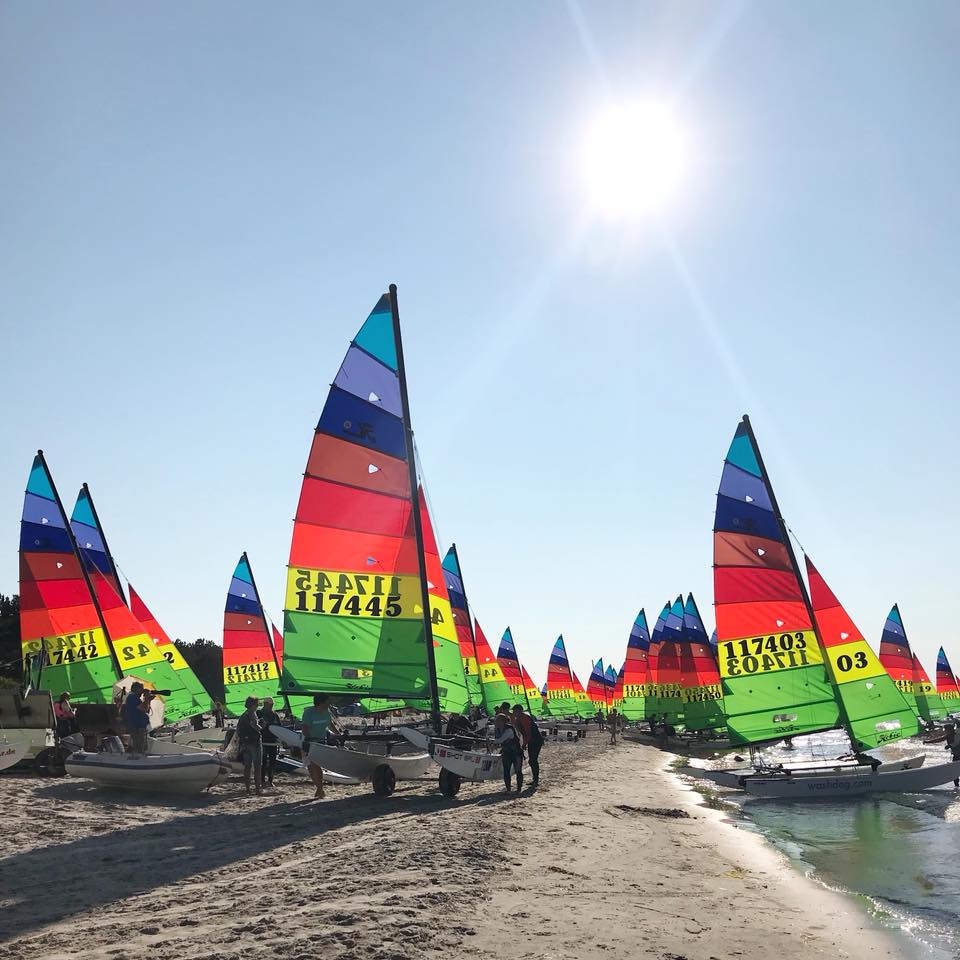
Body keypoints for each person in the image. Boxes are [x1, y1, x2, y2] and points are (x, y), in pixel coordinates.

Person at [301, 694, 338, 799]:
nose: (329, 704)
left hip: (321, 743)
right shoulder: (308, 712)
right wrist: (310, 740)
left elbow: (330, 725)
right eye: (327, 701)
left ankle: (320, 789)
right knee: (311, 768)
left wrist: (338, 734)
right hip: (309, 742)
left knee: (317, 765)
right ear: (321, 703)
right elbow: (305, 728)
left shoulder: (326, 712)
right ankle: (319, 788)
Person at [236, 696, 263, 795]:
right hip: (254, 743)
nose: (257, 706)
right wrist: (263, 726)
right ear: (253, 705)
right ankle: (257, 789)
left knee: (247, 767)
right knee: (257, 766)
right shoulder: (252, 714)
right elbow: (255, 727)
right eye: (257, 704)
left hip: (245, 743)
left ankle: (247, 789)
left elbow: (238, 730)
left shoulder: (243, 715)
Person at [511, 704, 543, 787]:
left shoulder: (525, 718)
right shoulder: (518, 719)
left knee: (533, 760)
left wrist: (524, 743)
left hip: (536, 740)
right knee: (532, 760)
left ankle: (536, 780)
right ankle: (535, 779)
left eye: (515, 711)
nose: (513, 712)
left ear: (519, 711)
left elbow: (528, 733)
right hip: (531, 741)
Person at [493, 712, 523, 793]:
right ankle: (508, 789)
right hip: (506, 753)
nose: (496, 722)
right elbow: (498, 740)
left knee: (518, 770)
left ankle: (519, 789)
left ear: (502, 721)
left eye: (497, 720)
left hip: (516, 752)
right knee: (506, 771)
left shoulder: (509, 729)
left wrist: (491, 741)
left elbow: (500, 740)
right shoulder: (498, 729)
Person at [258, 696, 283, 788]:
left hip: (273, 741)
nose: (271, 706)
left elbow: (279, 728)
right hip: (262, 740)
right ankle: (262, 781)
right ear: (265, 704)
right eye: (270, 704)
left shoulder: (274, 715)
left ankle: (270, 780)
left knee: (272, 761)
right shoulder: (259, 713)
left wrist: (281, 739)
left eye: (272, 705)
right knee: (263, 761)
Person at [121, 682, 150, 754]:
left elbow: (147, 710)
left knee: (141, 747)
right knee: (139, 747)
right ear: (136, 689)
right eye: (141, 689)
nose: (142, 691)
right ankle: (137, 758)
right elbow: (143, 709)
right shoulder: (132, 697)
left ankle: (139, 757)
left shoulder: (136, 699)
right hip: (136, 727)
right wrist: (146, 698)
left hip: (139, 726)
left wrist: (148, 700)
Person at [944, 723, 960, 788]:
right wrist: (928, 742)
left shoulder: (957, 735)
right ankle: (956, 786)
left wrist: (949, 746)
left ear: (950, 730)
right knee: (954, 772)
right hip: (956, 756)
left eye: (946, 730)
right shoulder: (948, 736)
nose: (945, 731)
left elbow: (956, 743)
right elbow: (939, 739)